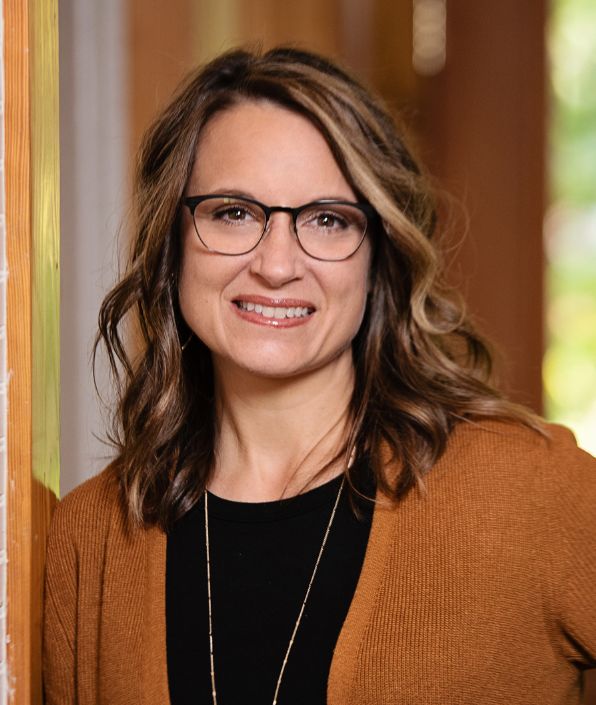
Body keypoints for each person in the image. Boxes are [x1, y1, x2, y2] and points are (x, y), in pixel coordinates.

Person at [43, 47, 596, 705]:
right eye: (234, 212)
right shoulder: (88, 540)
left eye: (328, 220)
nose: (277, 264)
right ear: (173, 240)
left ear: (377, 256)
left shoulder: (532, 491)